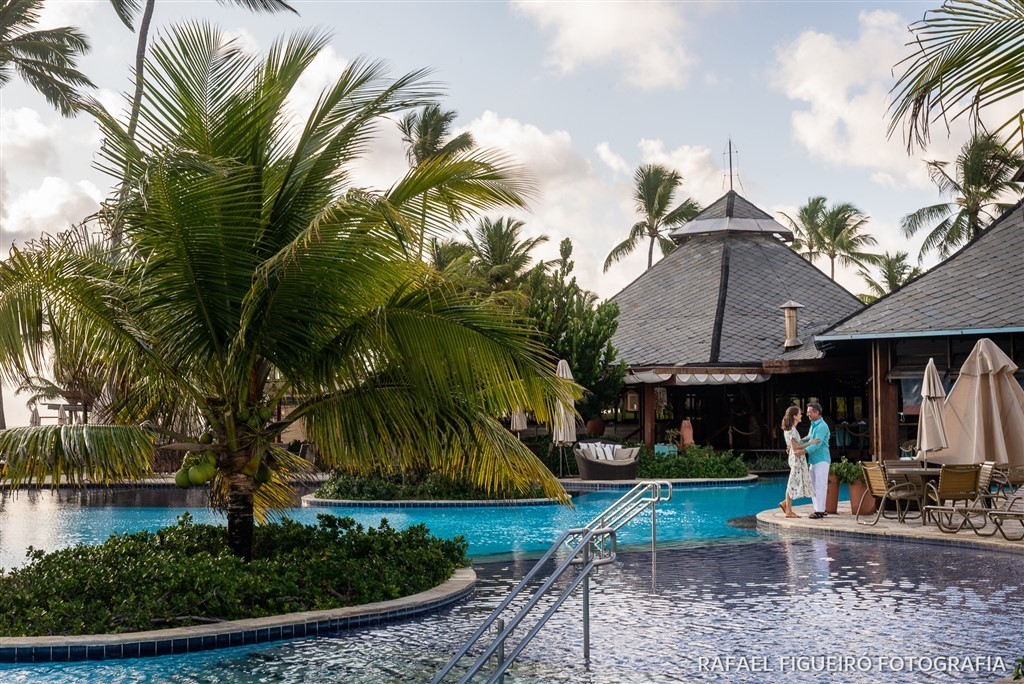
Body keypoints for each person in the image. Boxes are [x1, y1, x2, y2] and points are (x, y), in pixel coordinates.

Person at [779, 405, 816, 518]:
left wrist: (805, 439)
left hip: (795, 458)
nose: (801, 415)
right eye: (800, 413)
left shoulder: (792, 429)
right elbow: (796, 448)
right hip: (796, 459)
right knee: (791, 483)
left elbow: (793, 445)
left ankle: (786, 504)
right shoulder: (791, 430)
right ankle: (789, 511)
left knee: (794, 482)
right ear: (794, 416)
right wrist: (811, 442)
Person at [804, 402, 832, 520]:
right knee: (813, 486)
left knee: (820, 485)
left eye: (810, 412)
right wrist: (795, 444)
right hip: (813, 460)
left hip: (821, 460)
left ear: (817, 412)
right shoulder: (813, 424)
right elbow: (809, 438)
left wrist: (802, 451)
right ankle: (818, 508)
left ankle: (820, 511)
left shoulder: (822, 426)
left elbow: (816, 444)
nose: (807, 414)